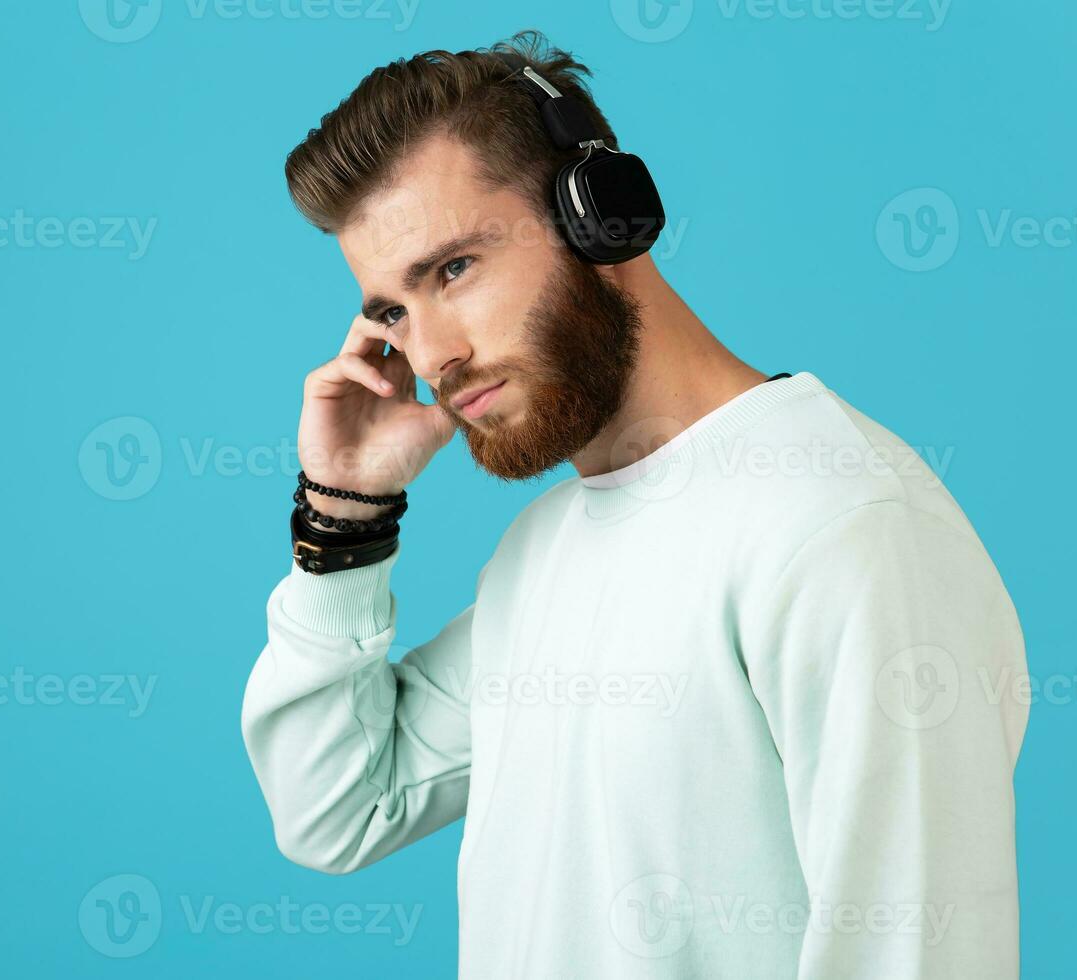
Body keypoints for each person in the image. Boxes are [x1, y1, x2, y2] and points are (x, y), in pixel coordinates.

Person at [241, 30, 1029, 979]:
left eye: (454, 269)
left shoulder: (839, 527)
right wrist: (344, 518)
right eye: (395, 312)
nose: (432, 352)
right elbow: (337, 808)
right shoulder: (546, 549)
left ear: (601, 218)